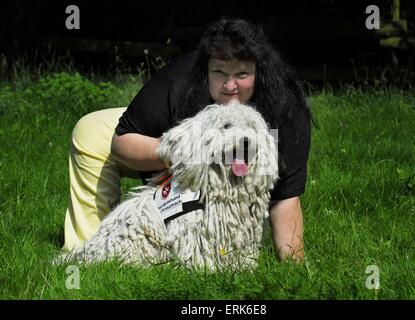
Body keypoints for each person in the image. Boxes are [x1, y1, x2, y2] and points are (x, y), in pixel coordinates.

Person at [62, 17, 312, 262]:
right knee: (89, 131)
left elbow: (286, 194)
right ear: (206, 68)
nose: (230, 85)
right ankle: (86, 253)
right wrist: (185, 154)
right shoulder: (179, 80)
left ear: (259, 71)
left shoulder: (284, 108)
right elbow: (121, 141)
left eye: (242, 74)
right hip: (163, 139)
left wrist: (294, 267)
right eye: (220, 72)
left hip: (229, 152)